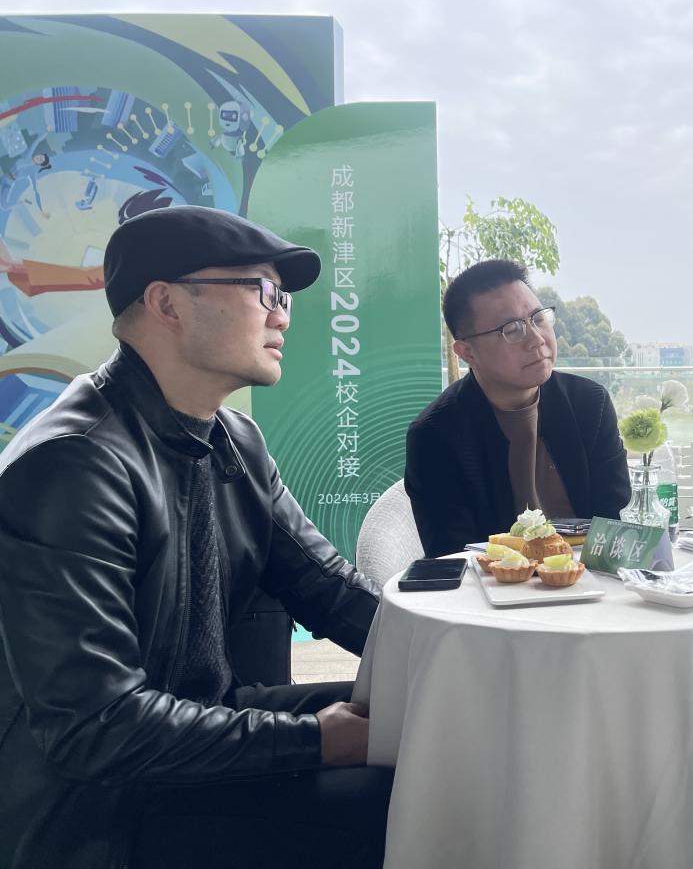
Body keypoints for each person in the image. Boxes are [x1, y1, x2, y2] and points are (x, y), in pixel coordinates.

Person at [0, 206, 387, 869]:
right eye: (264, 291)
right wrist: (316, 742)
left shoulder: (234, 439)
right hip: (102, 810)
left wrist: (460, 646)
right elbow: (97, 728)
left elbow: (331, 591)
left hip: (197, 730)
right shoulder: (74, 463)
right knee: (394, 796)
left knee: (429, 723)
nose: (282, 317)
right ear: (166, 303)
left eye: (285, 297)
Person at [406, 259, 630, 556]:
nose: (536, 340)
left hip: (590, 576)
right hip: (493, 583)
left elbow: (615, 523)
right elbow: (453, 555)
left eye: (538, 318)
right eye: (511, 329)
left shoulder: (589, 404)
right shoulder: (435, 435)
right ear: (467, 352)